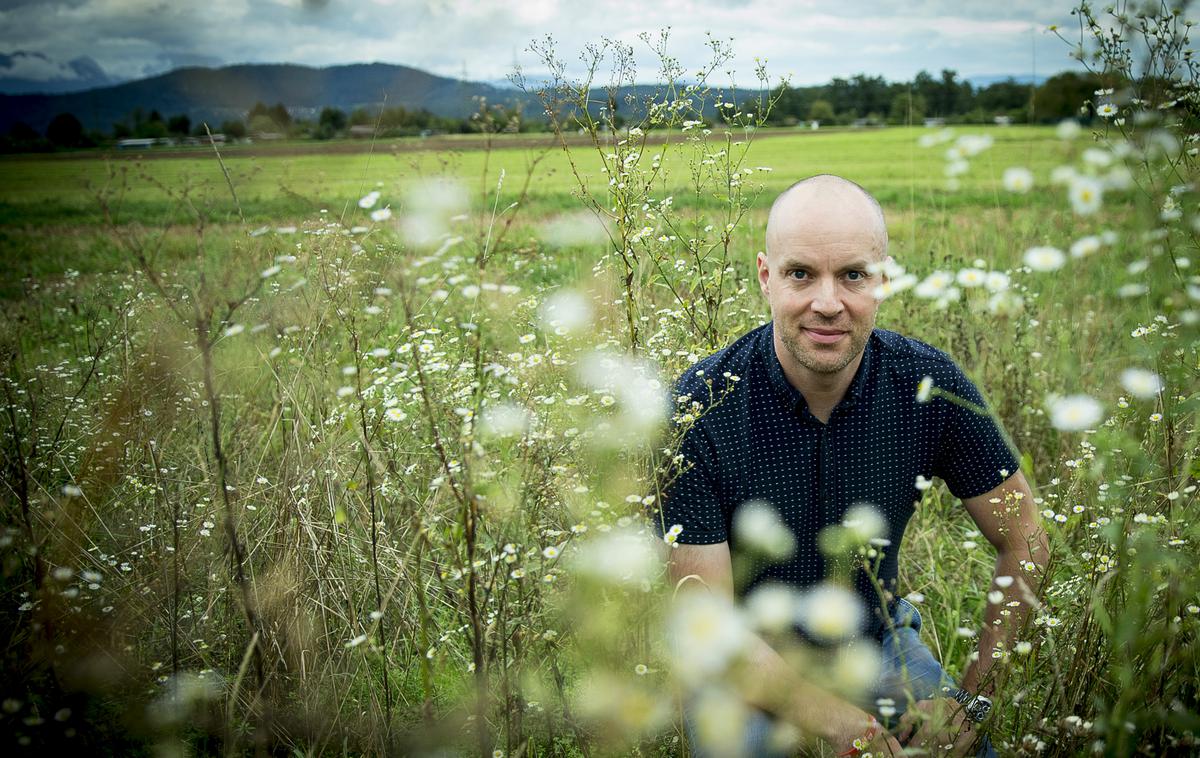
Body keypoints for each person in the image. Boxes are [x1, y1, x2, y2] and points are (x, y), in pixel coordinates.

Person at [658, 175, 1049, 757]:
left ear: (883, 280)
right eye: (800, 274)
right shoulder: (699, 409)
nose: (827, 302)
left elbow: (1027, 539)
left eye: (852, 275)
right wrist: (846, 726)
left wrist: (972, 700)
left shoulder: (929, 386)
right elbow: (707, 625)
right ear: (765, 276)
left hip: (875, 640)